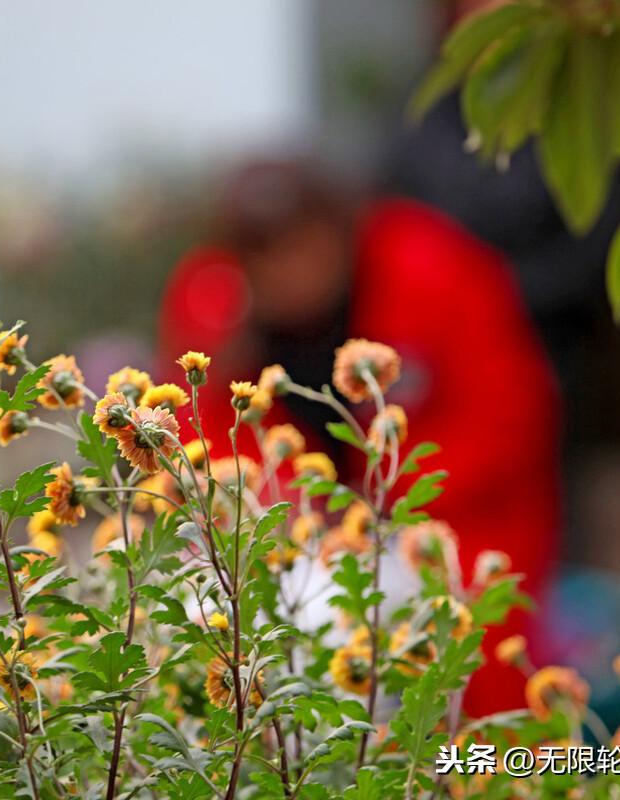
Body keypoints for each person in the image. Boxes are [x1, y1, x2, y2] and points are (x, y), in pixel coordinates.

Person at [157, 159, 562, 712]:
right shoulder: (212, 307)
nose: (292, 270)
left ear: (340, 228)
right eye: (269, 254)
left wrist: (380, 501)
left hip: (454, 518)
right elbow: (200, 440)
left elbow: (510, 414)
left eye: (304, 244)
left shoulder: (431, 268)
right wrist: (294, 513)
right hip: (301, 534)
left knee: (471, 682)